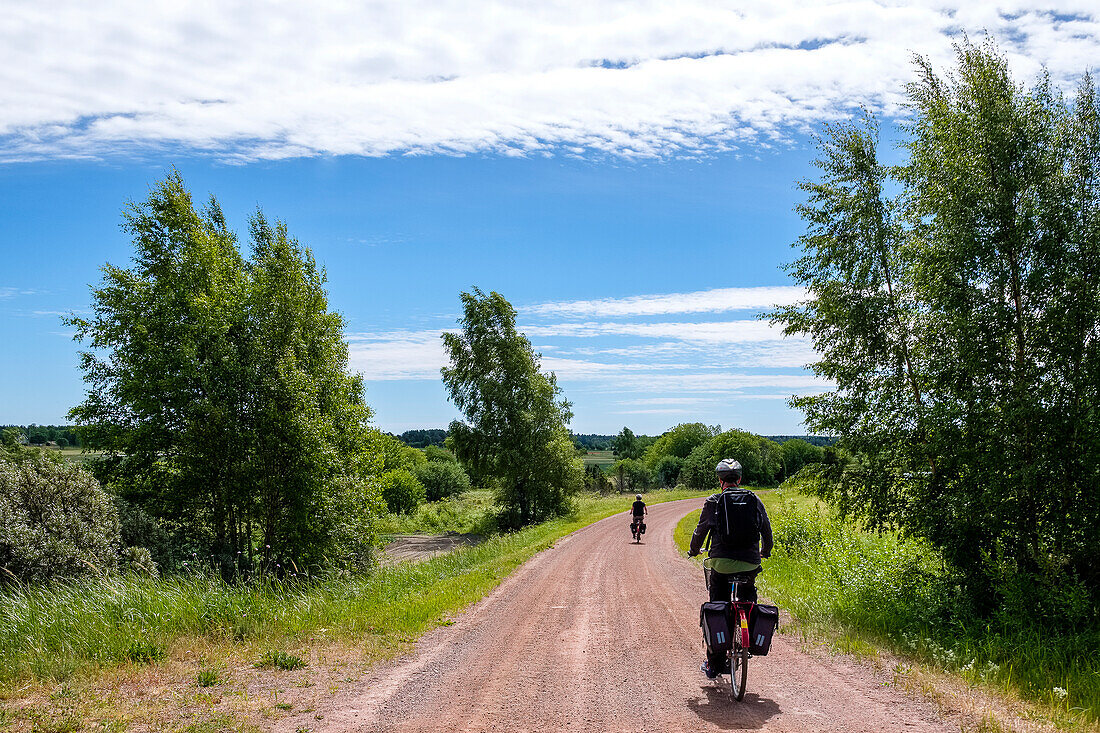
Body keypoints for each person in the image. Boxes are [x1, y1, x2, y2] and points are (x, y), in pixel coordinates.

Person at [688, 458, 773, 679]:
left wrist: (693, 550)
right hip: (750, 562)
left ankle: (714, 664)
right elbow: (766, 529)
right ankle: (751, 637)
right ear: (740, 479)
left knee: (718, 603)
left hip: (721, 563)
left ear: (720, 480)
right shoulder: (753, 499)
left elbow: (700, 531)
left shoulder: (713, 501)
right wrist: (765, 551)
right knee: (748, 596)